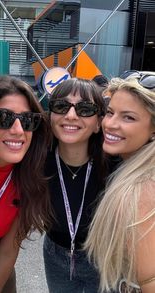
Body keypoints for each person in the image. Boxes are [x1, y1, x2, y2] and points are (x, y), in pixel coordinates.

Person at [0, 75, 51, 293]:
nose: (19, 130)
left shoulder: (29, 177)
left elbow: (9, 249)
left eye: (27, 120)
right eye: (4, 118)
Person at [85, 75, 155, 293]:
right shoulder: (129, 166)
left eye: (129, 118)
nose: (110, 124)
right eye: (110, 112)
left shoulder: (143, 189)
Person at [44, 78, 114, 292]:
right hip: (55, 253)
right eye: (61, 106)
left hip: (104, 256)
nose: (71, 115)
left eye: (85, 109)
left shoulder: (116, 165)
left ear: (98, 123)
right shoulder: (35, 160)